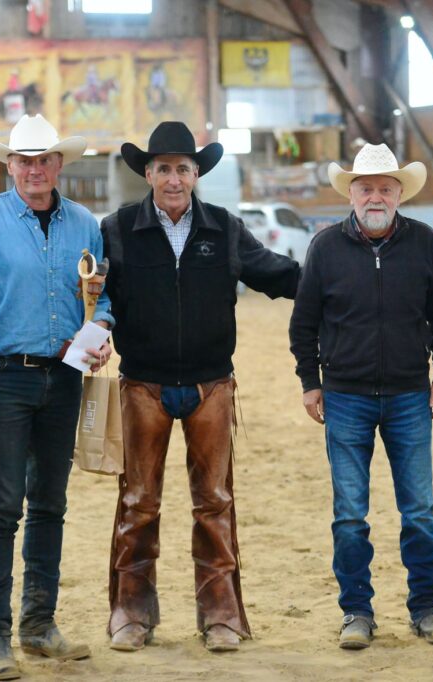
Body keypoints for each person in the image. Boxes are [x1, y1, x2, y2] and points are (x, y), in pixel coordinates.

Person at [101, 121, 300, 653]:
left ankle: (221, 615)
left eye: (183, 169)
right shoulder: (117, 229)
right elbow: (96, 295)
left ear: (196, 174)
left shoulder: (225, 228)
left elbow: (275, 273)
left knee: (214, 502)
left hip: (211, 384)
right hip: (142, 384)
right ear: (148, 173)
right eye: (164, 168)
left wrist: (330, 278)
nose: (174, 179)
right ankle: (131, 613)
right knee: (138, 503)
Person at [0, 114, 113, 680]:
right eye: (25, 160)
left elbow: (100, 294)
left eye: (44, 160)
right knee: (1, 506)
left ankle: (38, 625)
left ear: (59, 164)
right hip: (1, 376)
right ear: (10, 165)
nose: (35, 169)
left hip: (64, 376)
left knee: (49, 503)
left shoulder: (85, 224)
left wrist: (99, 330)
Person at [289, 143, 433, 649]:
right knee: (349, 515)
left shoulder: (424, 242)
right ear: (352, 194)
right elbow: (304, 322)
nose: (375, 197)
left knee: (419, 510)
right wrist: (310, 381)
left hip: (410, 395)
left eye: (385, 188)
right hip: (345, 397)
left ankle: (427, 608)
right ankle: (356, 612)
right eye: (366, 188)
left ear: (400, 194)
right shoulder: (325, 247)